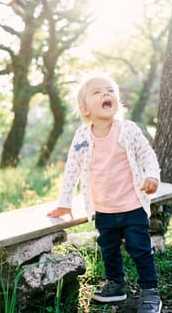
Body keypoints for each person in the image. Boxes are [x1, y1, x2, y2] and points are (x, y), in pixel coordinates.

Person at [47, 75, 162, 313]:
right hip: (103, 209)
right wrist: (65, 203)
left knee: (140, 249)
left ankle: (150, 293)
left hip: (132, 206)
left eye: (110, 90)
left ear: (117, 101)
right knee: (108, 249)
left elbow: (147, 155)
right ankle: (115, 285)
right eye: (97, 92)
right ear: (85, 108)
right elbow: (72, 170)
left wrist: (152, 176)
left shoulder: (127, 129)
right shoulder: (81, 136)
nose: (106, 95)